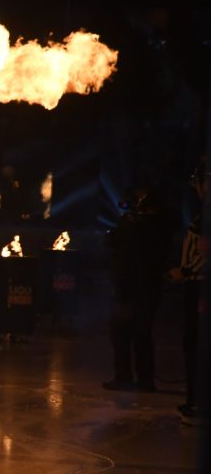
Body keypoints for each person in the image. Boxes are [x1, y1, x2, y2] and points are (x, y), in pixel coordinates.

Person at [104, 186, 172, 392]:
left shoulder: (134, 225)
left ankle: (125, 377)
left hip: (130, 287)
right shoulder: (162, 226)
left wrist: (125, 222)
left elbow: (111, 241)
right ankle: (144, 380)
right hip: (148, 287)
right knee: (142, 334)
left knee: (123, 332)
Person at [168, 162, 205, 418]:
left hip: (201, 286)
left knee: (197, 346)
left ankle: (198, 402)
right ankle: (195, 399)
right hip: (196, 284)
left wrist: (188, 271)